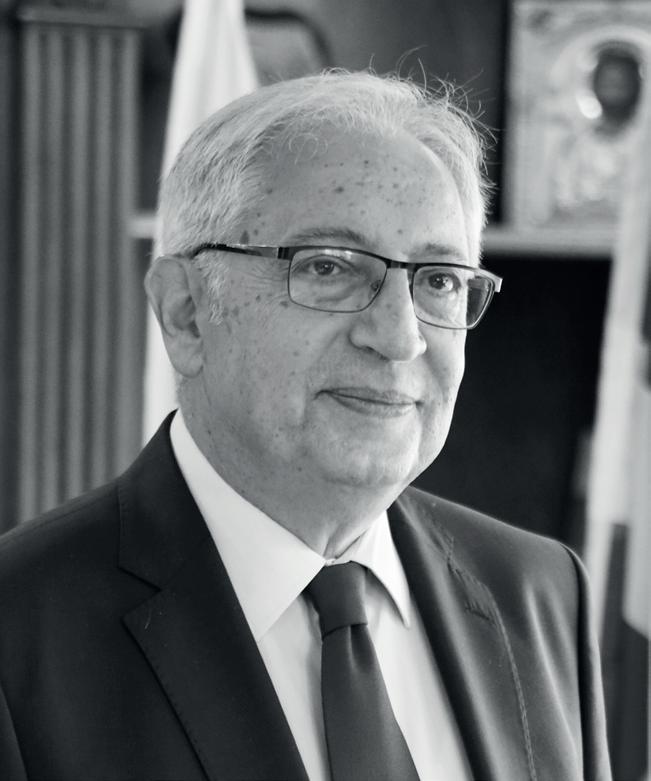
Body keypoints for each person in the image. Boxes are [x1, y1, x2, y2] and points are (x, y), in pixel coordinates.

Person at [0, 71, 611, 781]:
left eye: (439, 279)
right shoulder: (19, 634)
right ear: (186, 313)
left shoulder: (538, 593)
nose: (399, 337)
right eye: (328, 268)